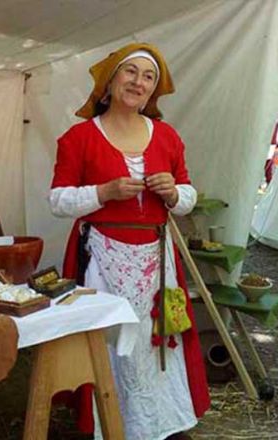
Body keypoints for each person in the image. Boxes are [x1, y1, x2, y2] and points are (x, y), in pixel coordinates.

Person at [49, 42, 210, 440]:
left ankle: (162, 421)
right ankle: (112, 424)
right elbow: (58, 200)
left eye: (148, 76)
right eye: (131, 72)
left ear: (154, 89)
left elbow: (188, 196)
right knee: (112, 339)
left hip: (157, 259)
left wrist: (173, 192)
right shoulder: (79, 138)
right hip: (103, 259)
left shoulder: (167, 137)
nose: (139, 82)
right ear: (111, 80)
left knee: (159, 336)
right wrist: (103, 193)